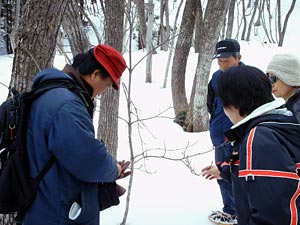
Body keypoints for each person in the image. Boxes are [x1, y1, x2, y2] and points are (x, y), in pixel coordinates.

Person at [23, 44, 130, 225]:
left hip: (43, 202)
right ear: (95, 74)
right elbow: (87, 159)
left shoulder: (52, 93)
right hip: (56, 212)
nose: (104, 91)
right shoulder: (67, 106)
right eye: (108, 84)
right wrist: (114, 169)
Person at [202, 65, 300, 225]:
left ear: (234, 105)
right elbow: (266, 177)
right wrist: (224, 171)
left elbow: (273, 215)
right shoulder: (280, 121)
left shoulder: (260, 139)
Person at [206, 39, 242, 224]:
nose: (222, 64)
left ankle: (238, 212)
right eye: (219, 60)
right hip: (219, 135)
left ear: (238, 58)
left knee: (237, 173)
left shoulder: (247, 78)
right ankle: (230, 209)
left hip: (239, 137)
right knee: (221, 173)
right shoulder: (216, 78)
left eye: (226, 60)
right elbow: (211, 104)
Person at [266, 53, 300, 122]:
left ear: (289, 77)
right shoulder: (292, 104)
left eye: (273, 78)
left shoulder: (297, 107)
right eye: (268, 79)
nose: (271, 85)